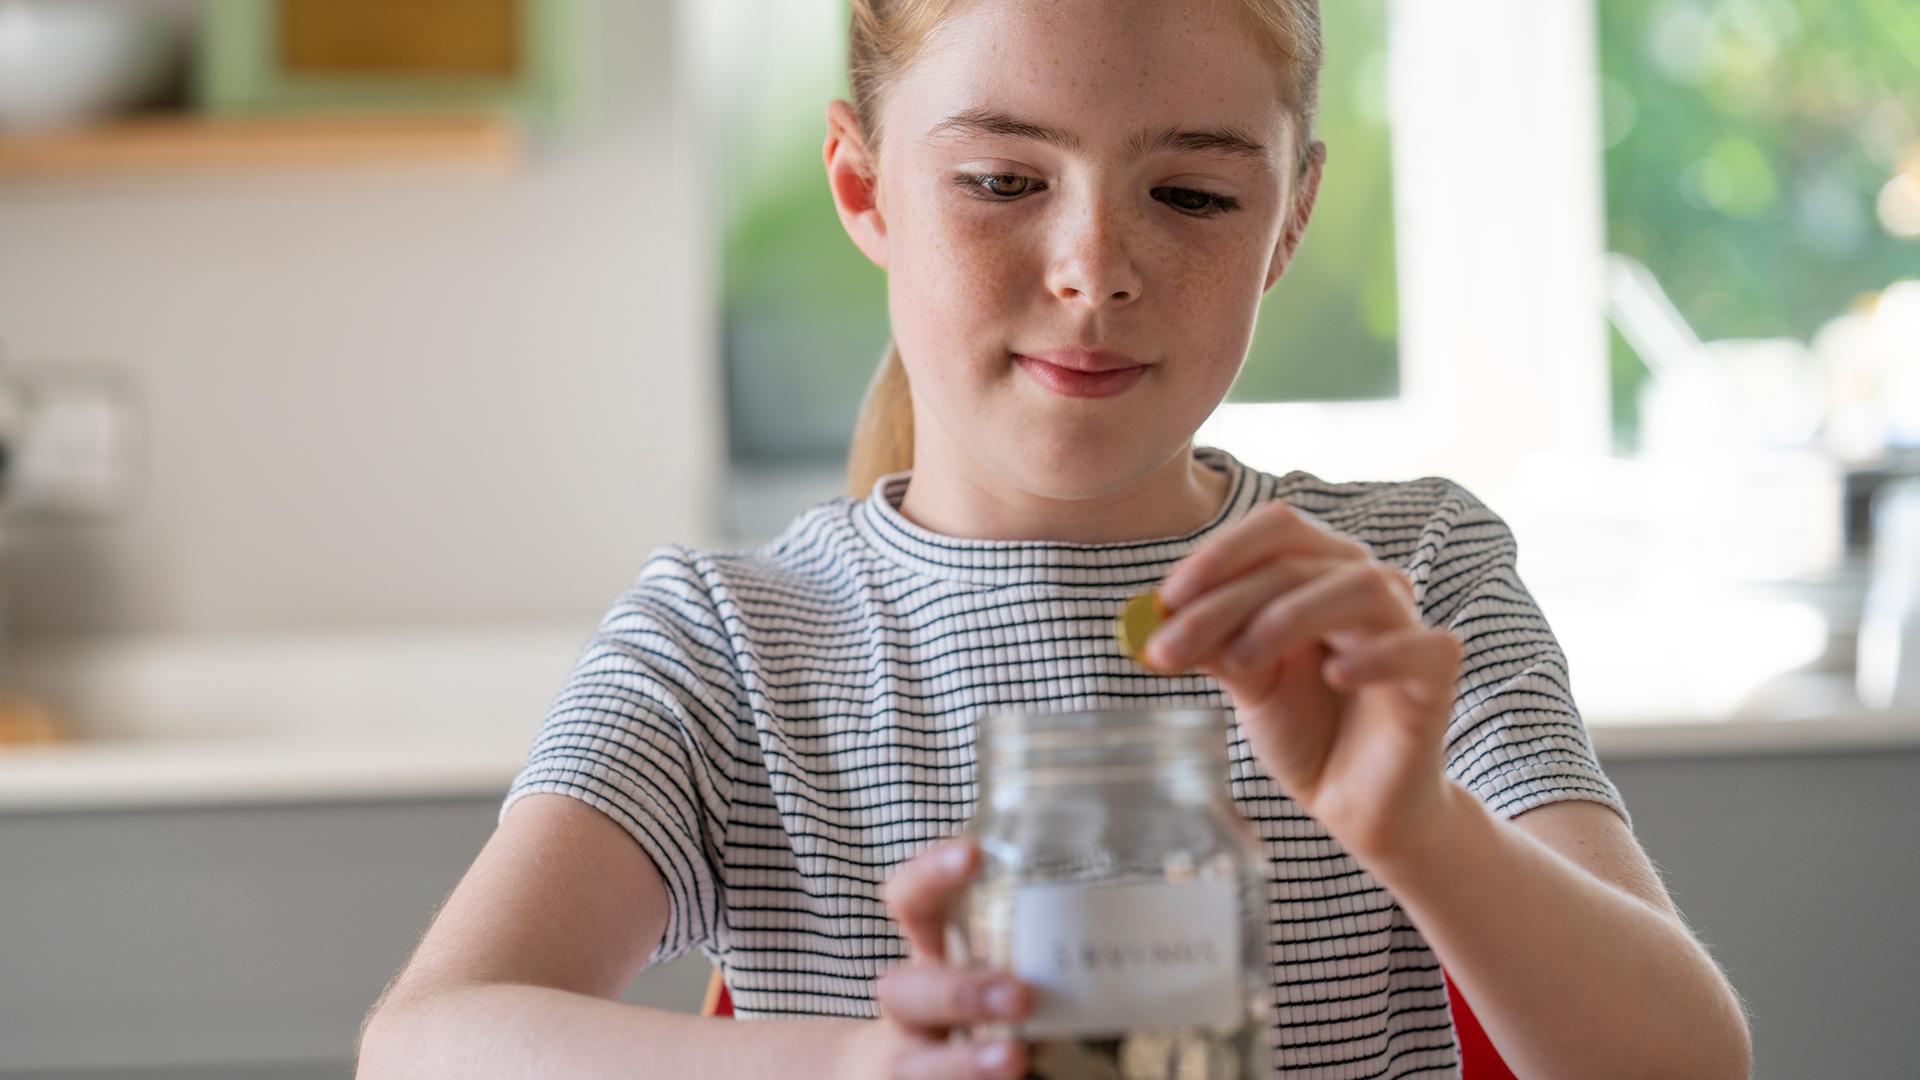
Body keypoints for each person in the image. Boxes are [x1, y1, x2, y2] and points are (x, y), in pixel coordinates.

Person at [356, 1, 1754, 1077]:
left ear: (1287, 220)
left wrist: (1418, 826)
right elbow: (426, 1043)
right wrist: (856, 1061)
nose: (1096, 265)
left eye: (1194, 195)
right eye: (1004, 182)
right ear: (866, 190)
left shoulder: (1410, 581)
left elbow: (1688, 1063)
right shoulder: (730, 646)